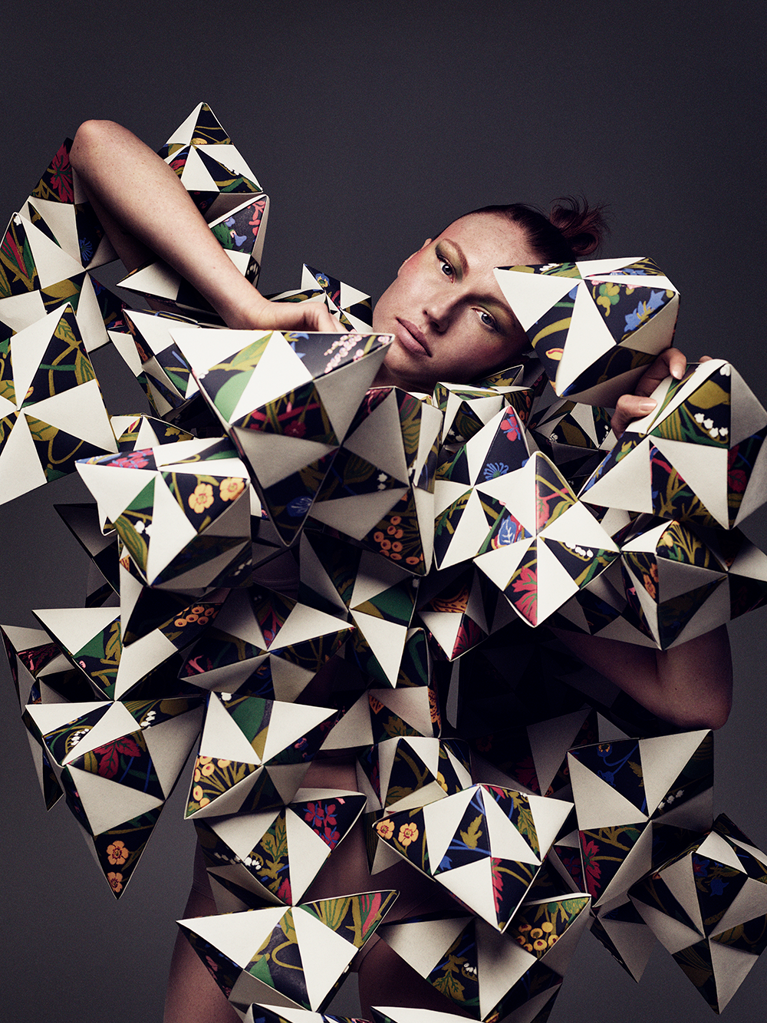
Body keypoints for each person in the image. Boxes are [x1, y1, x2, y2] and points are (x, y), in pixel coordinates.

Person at [68, 119, 733, 1021]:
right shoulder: (279, 364)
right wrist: (247, 306)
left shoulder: (500, 493)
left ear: (515, 359)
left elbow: (693, 698)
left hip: (437, 865)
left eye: (491, 315)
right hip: (270, 829)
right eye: (448, 265)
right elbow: (97, 145)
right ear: (415, 252)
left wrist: (677, 462)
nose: (441, 308)